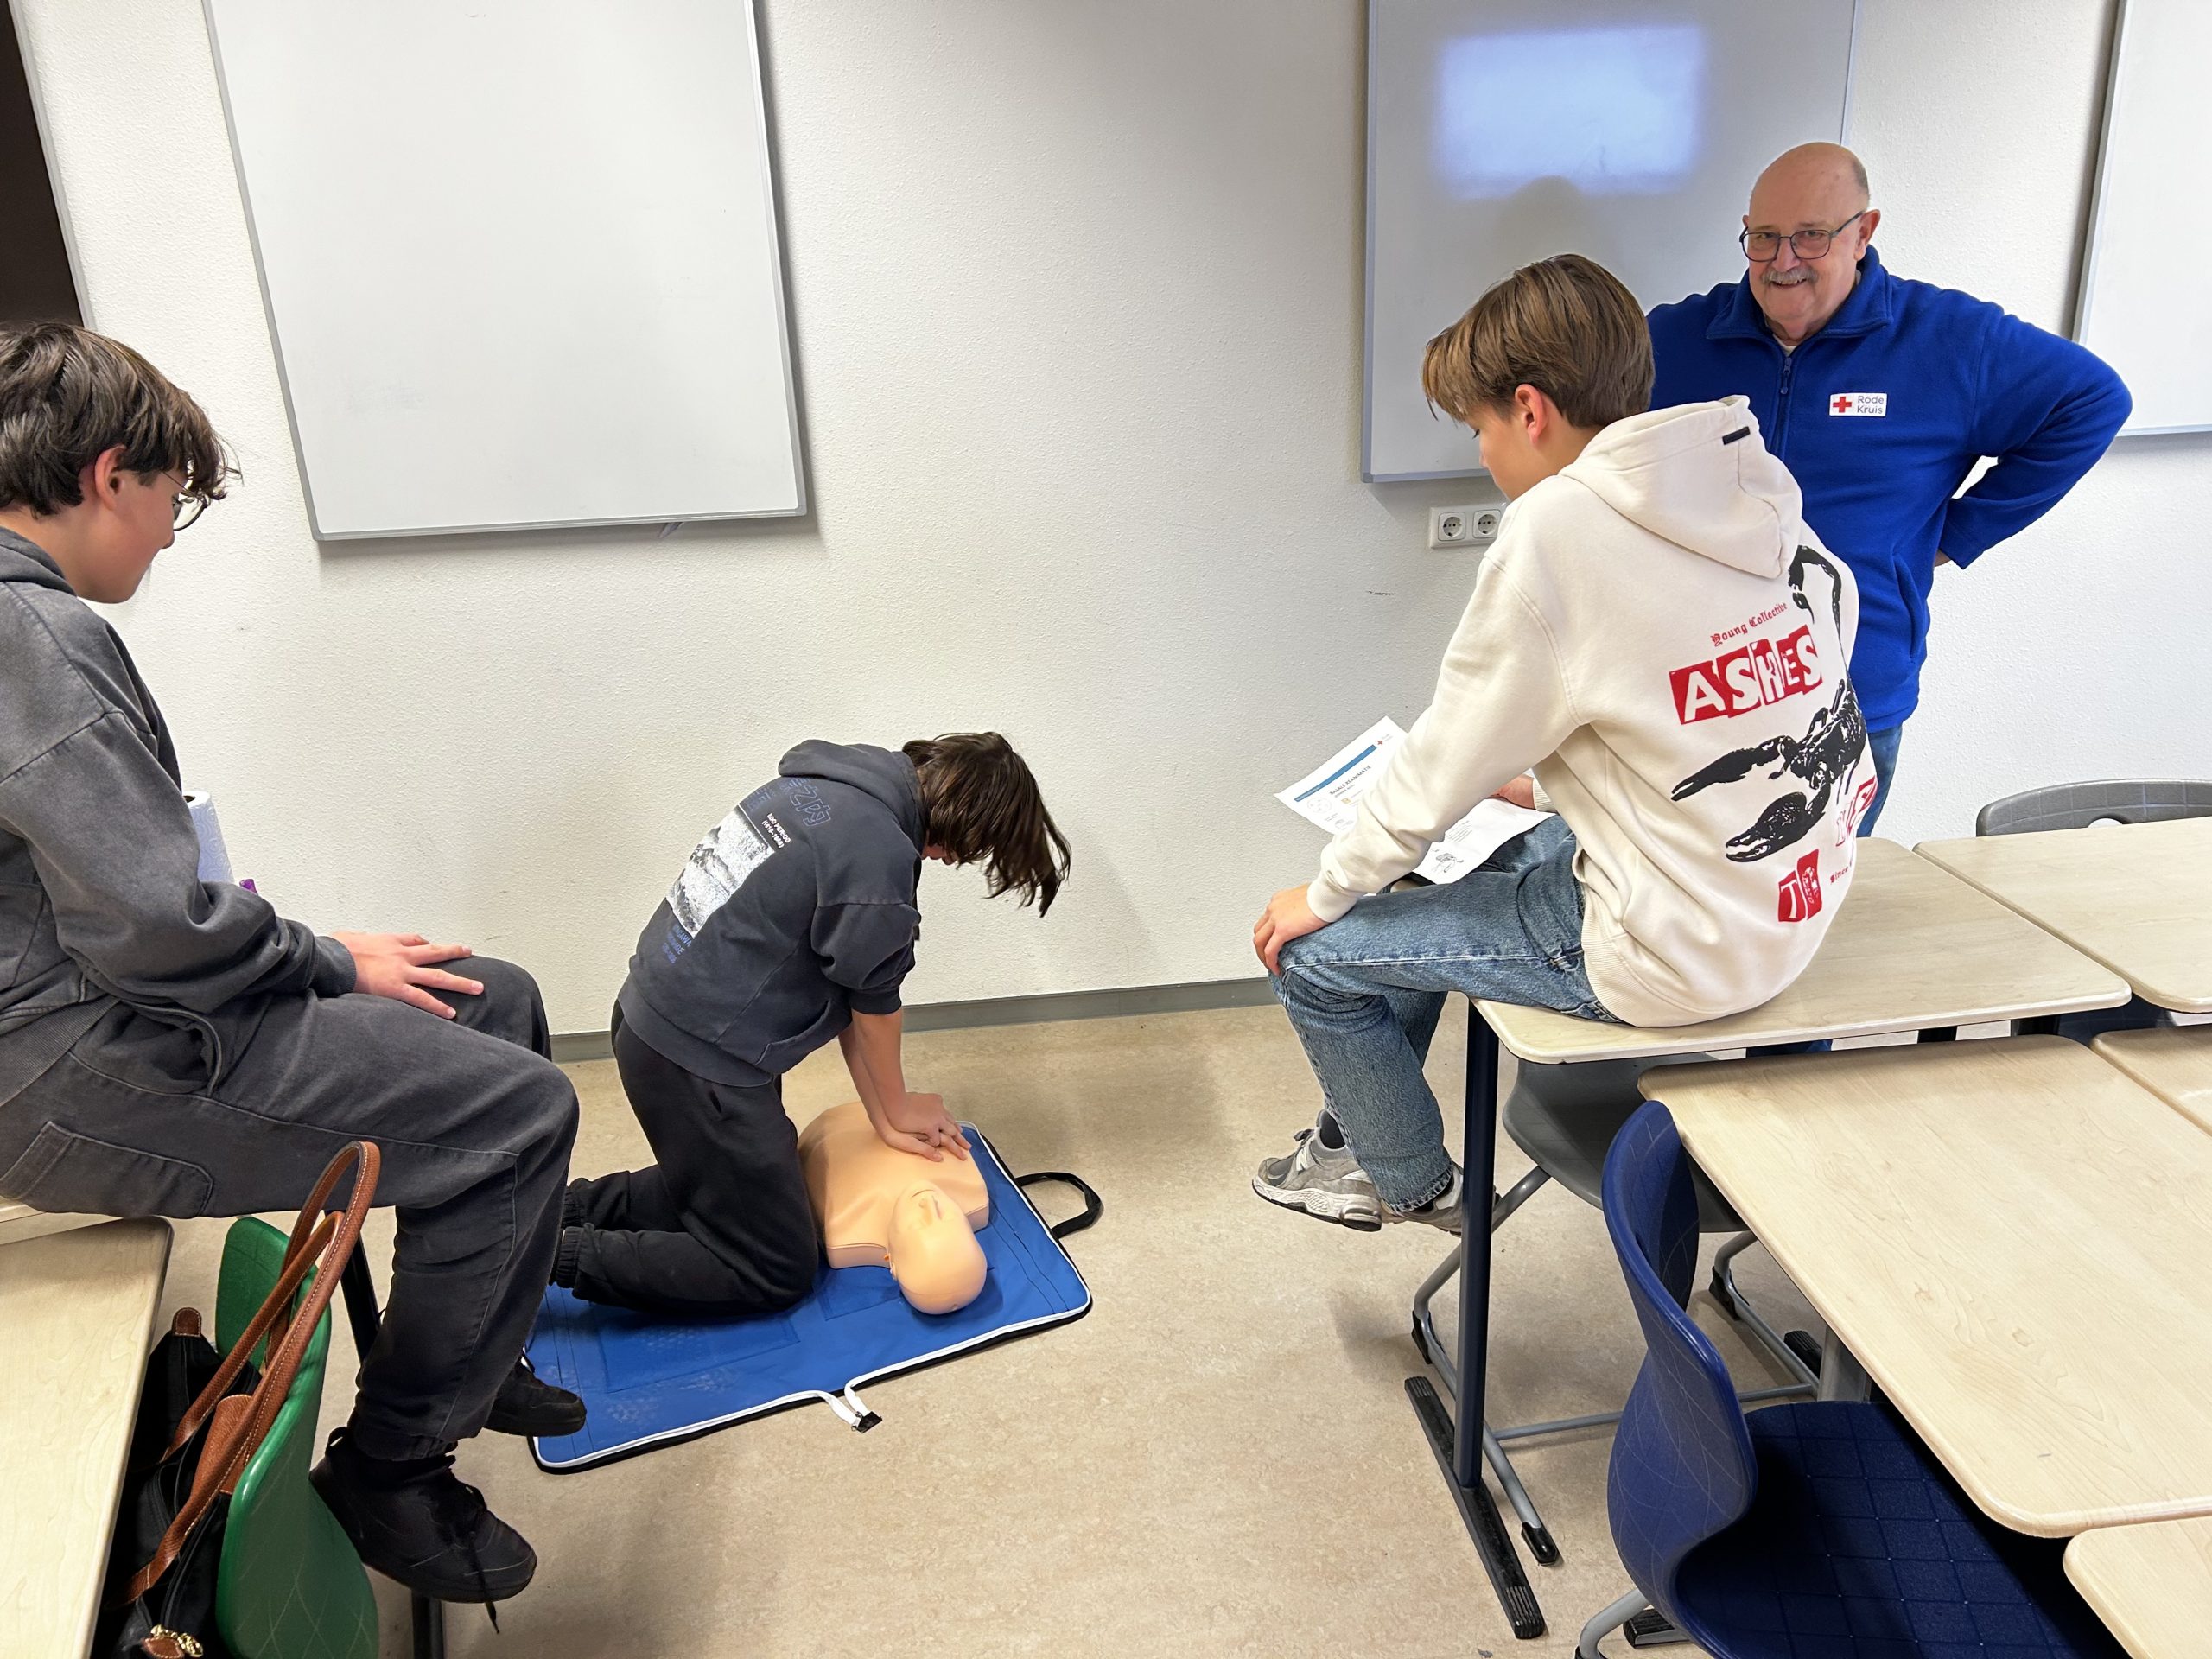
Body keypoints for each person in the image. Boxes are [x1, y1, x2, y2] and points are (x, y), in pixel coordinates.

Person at [0, 322, 579, 1608]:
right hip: (74, 1063)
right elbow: (151, 928)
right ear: (109, 476)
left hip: (98, 1006)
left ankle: (475, 1360)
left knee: (498, 999)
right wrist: (321, 961)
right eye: (167, 505)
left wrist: (318, 961)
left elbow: (133, 893)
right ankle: (392, 1463)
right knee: (521, 1113)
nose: (161, 536)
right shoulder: (28, 637)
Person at [1250, 255, 1870, 1231]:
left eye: (1480, 430)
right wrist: (1548, 792)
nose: (1485, 458)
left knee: (1317, 954)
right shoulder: (1740, 475)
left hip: (1671, 953)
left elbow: (1437, 768)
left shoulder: (1559, 526)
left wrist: (1319, 893)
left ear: (1529, 410)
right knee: (1437, 865)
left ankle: (1407, 1181)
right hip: (1788, 908)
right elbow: (1764, 673)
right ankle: (1347, 1141)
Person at [1649, 143, 2130, 832]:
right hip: (1689, 692)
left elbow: (2094, 401)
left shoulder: (1949, 341)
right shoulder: (1673, 339)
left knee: (1810, 916)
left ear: (1863, 232)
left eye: (1810, 236)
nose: (1783, 261)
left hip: (1848, 701)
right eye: (1764, 239)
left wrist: (1954, 535)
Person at [558, 732, 1068, 1314]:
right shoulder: (875, 856)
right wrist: (896, 1109)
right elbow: (875, 1008)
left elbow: (858, 995)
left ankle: (551, 1214)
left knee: (736, 1184)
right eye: (964, 850)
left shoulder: (819, 787)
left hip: (657, 1020)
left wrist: (888, 1113)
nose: (947, 860)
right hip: (698, 1064)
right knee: (773, 1267)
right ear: (962, 817)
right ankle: (535, 1256)